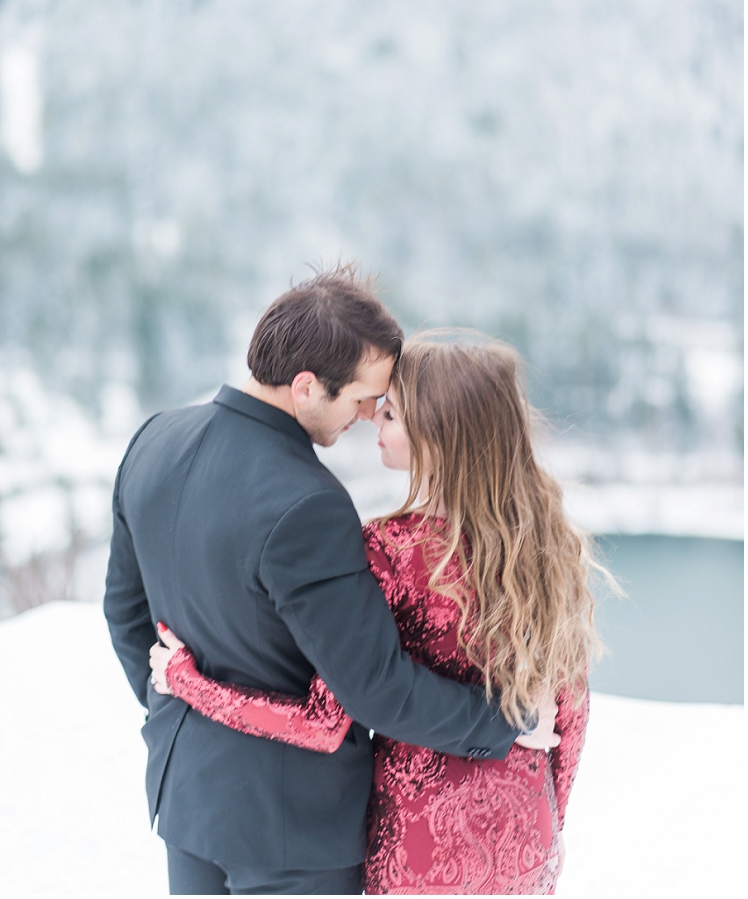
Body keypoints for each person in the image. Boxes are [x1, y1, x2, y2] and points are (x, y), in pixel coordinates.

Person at [104, 266, 558, 896]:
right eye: (362, 398)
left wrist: (177, 715)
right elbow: (375, 688)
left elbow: (125, 617)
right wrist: (505, 724)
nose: (370, 414)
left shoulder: (152, 441)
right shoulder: (308, 503)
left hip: (185, 799)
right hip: (294, 831)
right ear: (307, 386)